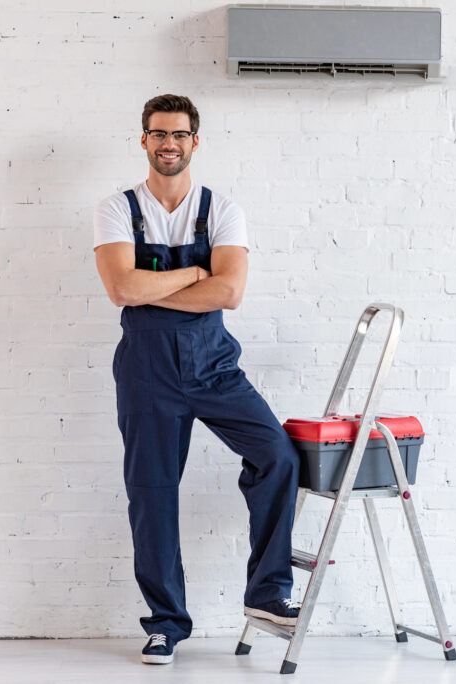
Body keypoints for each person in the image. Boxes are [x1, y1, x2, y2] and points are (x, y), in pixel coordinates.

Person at [93, 94, 300, 665]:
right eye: (158, 134)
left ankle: (267, 594)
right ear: (144, 140)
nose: (168, 144)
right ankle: (164, 624)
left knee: (277, 455)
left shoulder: (221, 209)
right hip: (147, 373)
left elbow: (230, 293)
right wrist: (194, 272)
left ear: (194, 142)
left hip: (213, 367)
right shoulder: (117, 209)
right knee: (153, 495)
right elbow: (122, 291)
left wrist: (156, 283)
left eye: (179, 135)